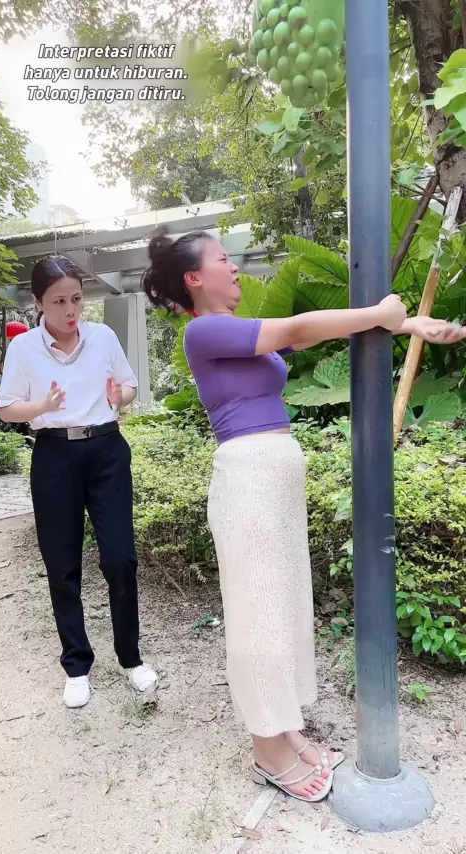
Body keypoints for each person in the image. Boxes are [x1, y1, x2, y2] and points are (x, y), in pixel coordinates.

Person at [141, 227, 466, 802]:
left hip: (272, 478)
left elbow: (311, 335)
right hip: (248, 480)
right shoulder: (204, 330)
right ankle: (267, 750)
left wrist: (408, 325)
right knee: (258, 613)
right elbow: (296, 328)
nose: (234, 269)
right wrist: (382, 313)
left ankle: (286, 730)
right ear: (194, 278)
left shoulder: (239, 332)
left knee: (282, 604)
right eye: (222, 260)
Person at [0, 255, 158, 709]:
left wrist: (119, 397)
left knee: (120, 558)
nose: (71, 310)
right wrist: (42, 407)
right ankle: (76, 665)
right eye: (58, 301)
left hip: (106, 451)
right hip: (54, 456)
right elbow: (8, 408)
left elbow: (129, 386)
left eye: (76, 299)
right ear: (37, 302)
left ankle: (131, 659)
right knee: (61, 563)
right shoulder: (23, 348)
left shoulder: (103, 336)